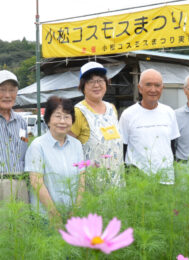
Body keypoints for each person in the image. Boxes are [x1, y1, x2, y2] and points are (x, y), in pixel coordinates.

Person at [25, 96, 84, 225]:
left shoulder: (77, 145)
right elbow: (36, 182)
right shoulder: (37, 146)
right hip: (46, 217)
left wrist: (76, 210)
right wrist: (54, 214)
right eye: (57, 116)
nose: (62, 121)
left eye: (67, 116)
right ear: (48, 120)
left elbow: (81, 179)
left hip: (72, 216)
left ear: (72, 120)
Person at [119, 69, 180, 184]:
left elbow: (172, 146)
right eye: (148, 85)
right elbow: (123, 148)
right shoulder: (128, 115)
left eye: (157, 85)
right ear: (140, 88)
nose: (153, 89)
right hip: (137, 181)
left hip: (166, 179)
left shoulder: (169, 112)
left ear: (162, 88)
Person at [70, 61, 124, 186]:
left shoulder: (112, 108)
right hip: (92, 184)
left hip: (117, 181)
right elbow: (69, 148)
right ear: (83, 86)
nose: (96, 85)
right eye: (90, 81)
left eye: (100, 80)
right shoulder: (78, 112)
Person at [0, 70, 28, 202]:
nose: (7, 95)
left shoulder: (21, 122)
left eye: (12, 90)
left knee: (22, 222)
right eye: (2, 90)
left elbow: (24, 148)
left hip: (21, 183)